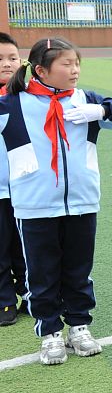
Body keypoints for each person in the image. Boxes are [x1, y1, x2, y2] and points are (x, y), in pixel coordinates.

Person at [1, 37, 112, 364]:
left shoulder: (85, 100)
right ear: (41, 70)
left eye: (77, 63)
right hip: (34, 206)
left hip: (82, 202)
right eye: (66, 64)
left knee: (79, 271)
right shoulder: (12, 104)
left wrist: (102, 110)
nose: (75, 70)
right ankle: (49, 333)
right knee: (42, 274)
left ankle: (79, 326)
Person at [0, 33, 27, 327]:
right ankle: (4, 300)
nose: (6, 64)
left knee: (26, 246)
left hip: (24, 187)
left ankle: (31, 295)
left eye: (12, 58)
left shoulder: (29, 97)